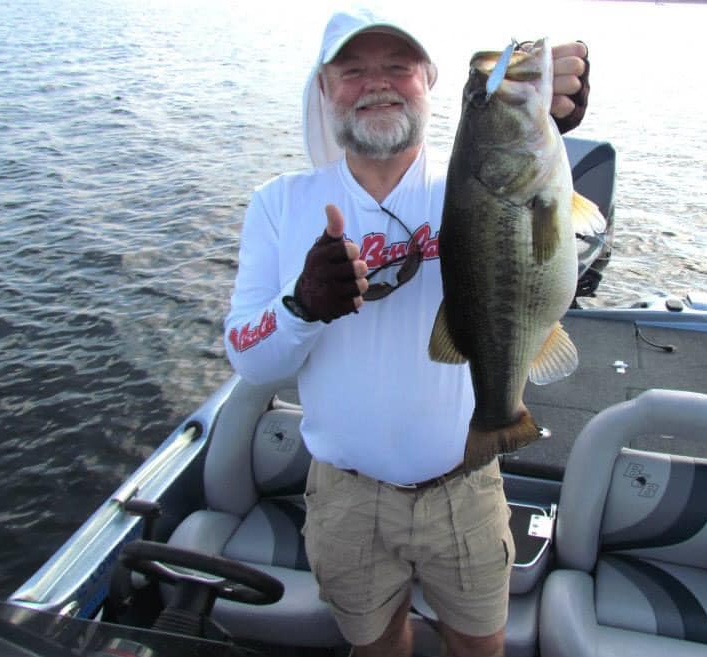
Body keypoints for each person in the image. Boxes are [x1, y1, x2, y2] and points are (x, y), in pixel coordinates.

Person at [223, 8, 590, 657]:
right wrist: (301, 306)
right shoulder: (279, 203)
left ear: (429, 81)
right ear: (323, 88)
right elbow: (247, 358)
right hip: (343, 496)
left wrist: (547, 114)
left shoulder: (464, 186)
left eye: (399, 66)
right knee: (377, 645)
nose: (378, 83)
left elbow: (540, 217)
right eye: (354, 69)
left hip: (466, 480)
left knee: (481, 643)